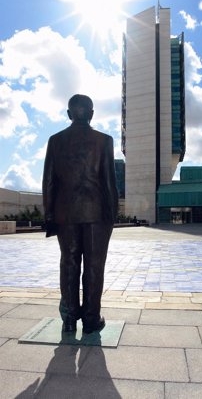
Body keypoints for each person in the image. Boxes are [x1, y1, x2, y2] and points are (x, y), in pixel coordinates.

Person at [42, 94, 118, 334]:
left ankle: (69, 317)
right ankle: (91, 319)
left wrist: (49, 215)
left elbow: (49, 182)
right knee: (95, 266)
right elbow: (109, 184)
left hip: (65, 214)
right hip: (97, 213)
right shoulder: (104, 140)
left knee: (69, 263)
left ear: (68, 114)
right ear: (92, 113)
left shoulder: (56, 140)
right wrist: (112, 216)